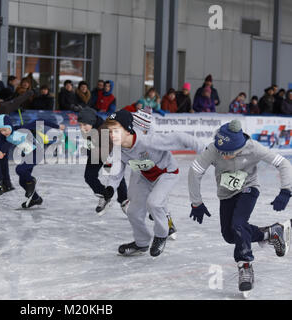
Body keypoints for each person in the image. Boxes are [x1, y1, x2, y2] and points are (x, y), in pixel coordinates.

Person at [188, 119, 292, 294]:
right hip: (226, 193)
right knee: (230, 235)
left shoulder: (254, 148)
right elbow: (195, 170)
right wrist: (196, 202)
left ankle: (245, 265)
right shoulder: (214, 149)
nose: (223, 155)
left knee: (238, 223)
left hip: (248, 188)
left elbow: (283, 163)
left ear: (239, 148)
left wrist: (286, 190)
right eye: (221, 151)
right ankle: (271, 233)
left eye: (228, 153)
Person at [103, 110, 204, 257]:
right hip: (144, 176)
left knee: (154, 203)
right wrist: (111, 188)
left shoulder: (147, 141)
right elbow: (116, 170)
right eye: (110, 131)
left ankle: (162, 234)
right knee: (133, 211)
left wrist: (205, 151)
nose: (112, 135)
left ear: (127, 129)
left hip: (166, 173)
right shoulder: (118, 150)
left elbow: (179, 138)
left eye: (116, 131)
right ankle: (141, 243)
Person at [0, 114, 64, 208]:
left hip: (37, 152)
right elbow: (3, 144)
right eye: (1, 130)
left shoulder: (20, 129)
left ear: (10, 126)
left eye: (5, 129)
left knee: (20, 170)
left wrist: (57, 126)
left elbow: (40, 120)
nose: (3, 132)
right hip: (27, 155)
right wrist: (0, 152)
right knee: (22, 181)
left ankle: (31, 180)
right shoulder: (3, 137)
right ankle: (36, 199)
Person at [77, 107, 129, 215]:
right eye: (80, 125)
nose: (82, 128)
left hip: (109, 153)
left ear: (91, 121)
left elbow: (108, 150)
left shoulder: (104, 129)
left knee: (115, 175)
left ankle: (124, 200)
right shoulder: (88, 127)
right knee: (89, 176)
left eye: (84, 125)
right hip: (96, 152)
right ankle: (104, 195)